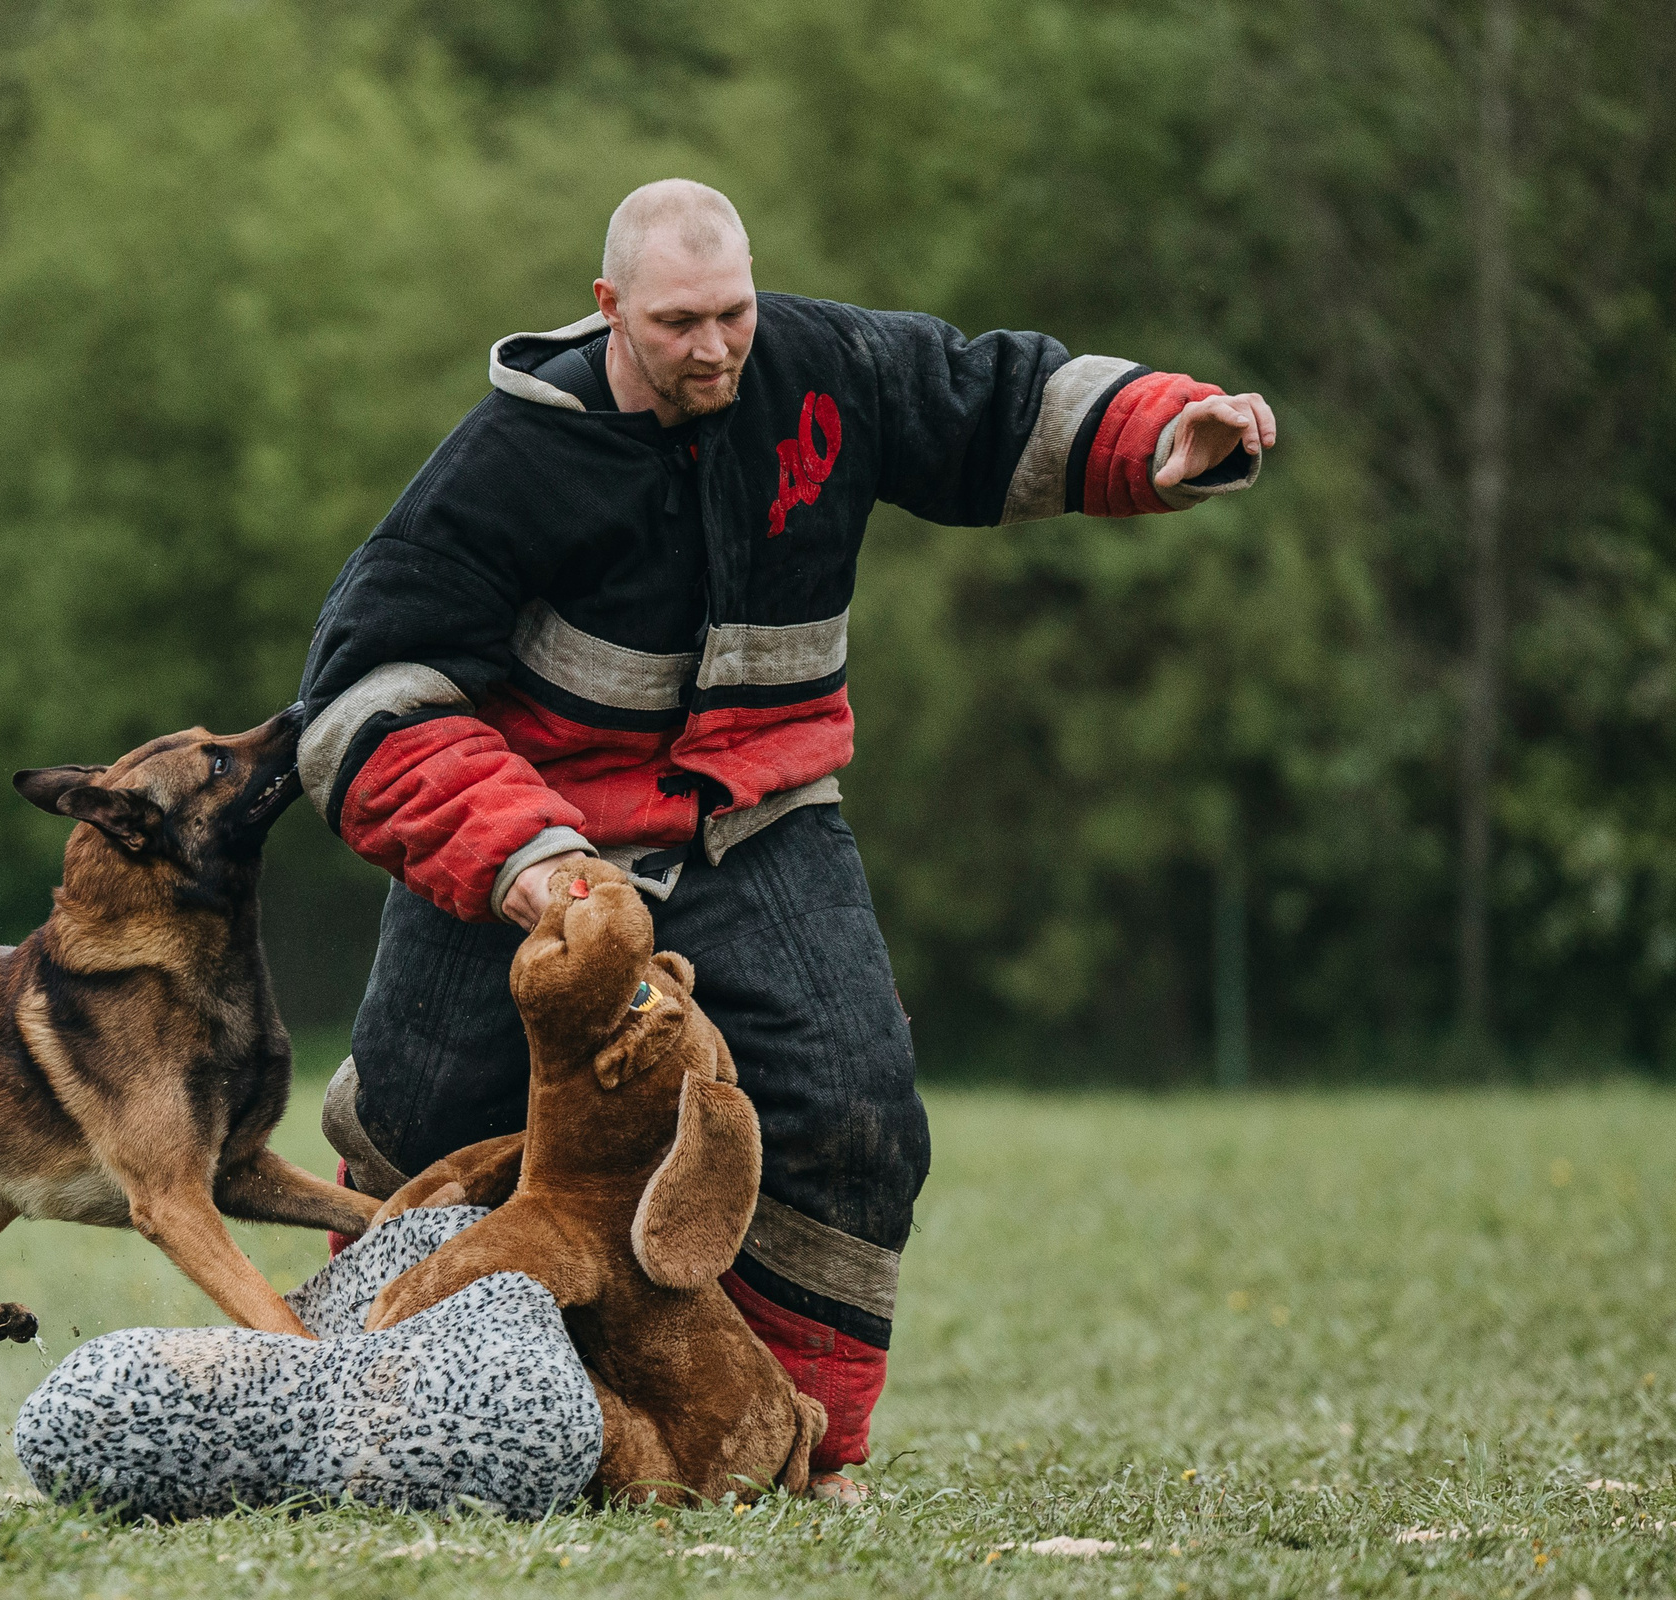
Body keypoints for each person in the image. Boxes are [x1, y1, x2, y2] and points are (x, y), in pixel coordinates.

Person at [296, 179, 1275, 1496]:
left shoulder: (827, 372)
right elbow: (364, 694)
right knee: (421, 1120)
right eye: (678, 321)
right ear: (608, 312)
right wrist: (523, 856)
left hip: (759, 821)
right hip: (541, 850)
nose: (714, 346)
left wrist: (1164, 432)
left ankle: (798, 1450)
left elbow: (991, 400)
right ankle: (336, 1397)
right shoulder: (506, 464)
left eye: (733, 313)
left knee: (859, 1116)